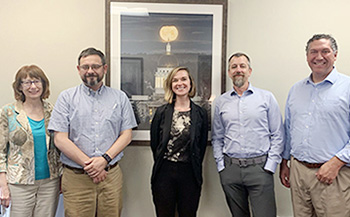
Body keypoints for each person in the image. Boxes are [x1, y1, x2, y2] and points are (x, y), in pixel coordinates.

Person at [48, 47, 137, 217]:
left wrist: (104, 160)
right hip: (76, 178)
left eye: (95, 66)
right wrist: (91, 167)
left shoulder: (120, 98)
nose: (90, 71)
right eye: (85, 67)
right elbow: (60, 139)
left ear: (104, 68)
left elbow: (126, 134)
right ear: (78, 69)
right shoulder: (66, 98)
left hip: (110, 176)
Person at [280, 34, 350, 216]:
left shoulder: (347, 87)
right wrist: (285, 162)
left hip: (334, 175)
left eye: (325, 51)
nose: (319, 57)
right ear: (307, 56)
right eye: (314, 52)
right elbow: (289, 128)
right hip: (299, 172)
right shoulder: (296, 89)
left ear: (335, 55)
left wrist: (337, 162)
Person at [212, 53, 284, 217]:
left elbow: (278, 134)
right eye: (234, 67)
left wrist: (270, 165)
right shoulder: (221, 102)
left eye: (242, 66)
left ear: (249, 71)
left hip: (260, 169)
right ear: (229, 72)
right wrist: (221, 166)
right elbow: (218, 137)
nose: (238, 70)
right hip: (231, 169)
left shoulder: (266, 98)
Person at [0, 65, 61, 217]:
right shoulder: (8, 112)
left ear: (43, 84)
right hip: (18, 183)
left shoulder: (53, 112)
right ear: (19, 87)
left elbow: (59, 148)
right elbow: (0, 151)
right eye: (26, 82)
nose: (32, 86)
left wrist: (62, 177)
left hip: (50, 182)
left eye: (36, 81)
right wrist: (3, 186)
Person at [150, 66, 208, 217]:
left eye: (183, 79)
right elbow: (155, 143)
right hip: (164, 172)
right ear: (170, 85)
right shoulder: (161, 112)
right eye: (175, 80)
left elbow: (200, 146)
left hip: (190, 172)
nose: (180, 83)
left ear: (190, 83)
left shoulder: (200, 113)